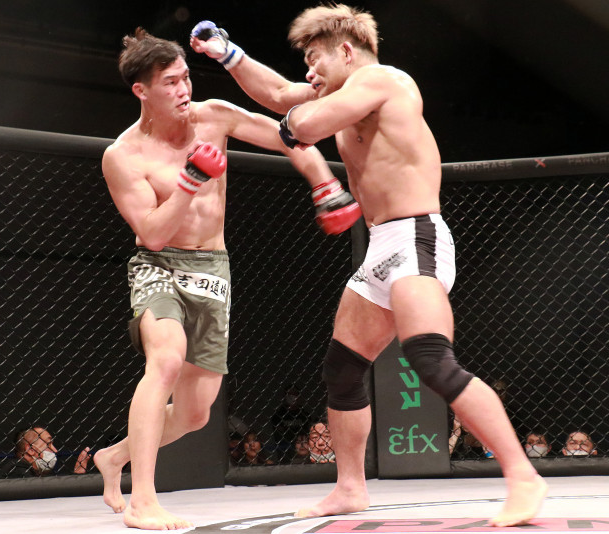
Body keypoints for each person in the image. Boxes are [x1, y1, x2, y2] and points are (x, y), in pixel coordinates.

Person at [191, 5, 547, 526]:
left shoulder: (382, 81)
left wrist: (293, 130)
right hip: (381, 244)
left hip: (416, 236)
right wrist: (229, 55)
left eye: (315, 59)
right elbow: (281, 95)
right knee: (342, 370)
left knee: (431, 359)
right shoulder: (344, 93)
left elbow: (303, 123)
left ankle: (523, 476)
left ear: (345, 51)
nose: (310, 72)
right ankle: (350, 489)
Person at [91, 28, 359, 531]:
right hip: (159, 265)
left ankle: (115, 456)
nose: (183, 89)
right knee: (165, 359)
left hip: (213, 269)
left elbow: (288, 135)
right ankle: (143, 499)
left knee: (195, 414)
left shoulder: (213, 116)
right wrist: (191, 181)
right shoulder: (123, 156)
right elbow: (152, 233)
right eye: (170, 82)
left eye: (185, 77)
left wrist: (324, 182)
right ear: (141, 91)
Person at [0, 426, 92, 477]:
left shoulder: (30, 471)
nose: (55, 450)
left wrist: (77, 476)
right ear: (31, 450)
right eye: (48, 444)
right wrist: (76, 477)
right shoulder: (18, 471)